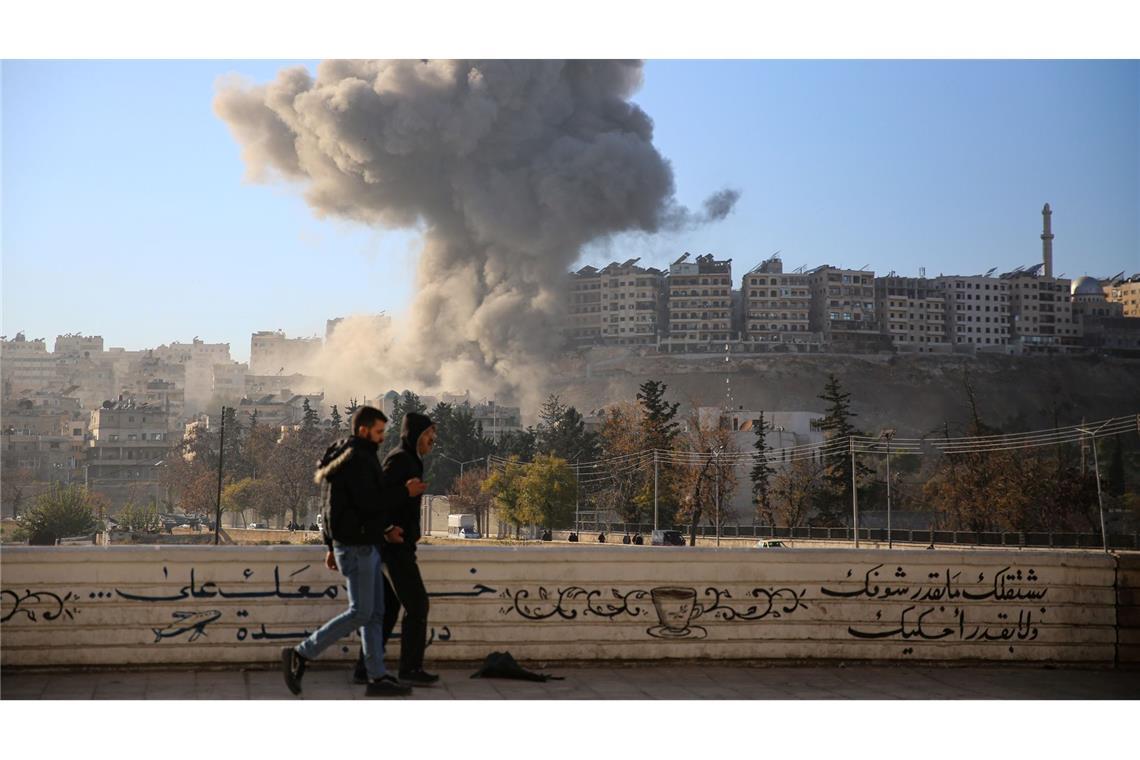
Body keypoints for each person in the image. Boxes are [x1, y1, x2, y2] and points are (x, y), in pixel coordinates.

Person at [280, 406, 414, 698]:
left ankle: (377, 678)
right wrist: (405, 492)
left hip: (357, 544)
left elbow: (334, 506)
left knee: (375, 614)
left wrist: (331, 545)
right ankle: (301, 654)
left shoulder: (343, 454)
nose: (382, 438)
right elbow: (371, 503)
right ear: (364, 430)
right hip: (358, 547)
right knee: (361, 612)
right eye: (379, 432)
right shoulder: (359, 459)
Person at [352, 412, 437, 686]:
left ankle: (365, 668)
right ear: (415, 435)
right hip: (393, 548)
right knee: (418, 605)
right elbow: (376, 499)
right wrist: (388, 528)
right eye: (428, 434)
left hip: (398, 547)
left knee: (388, 608)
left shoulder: (413, 460)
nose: (433, 440)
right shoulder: (400, 460)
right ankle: (410, 669)